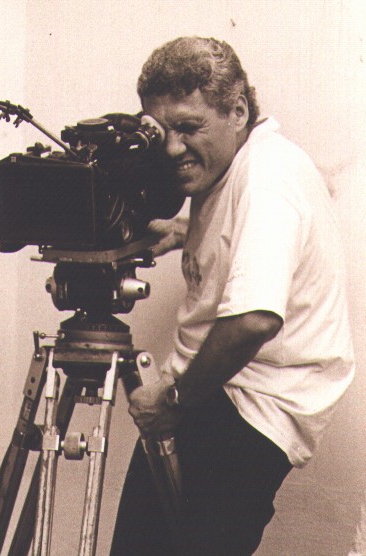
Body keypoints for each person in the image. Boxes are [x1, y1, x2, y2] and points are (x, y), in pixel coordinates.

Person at [110, 36, 355, 555]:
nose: (172, 148)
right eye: (162, 130)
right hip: (224, 389)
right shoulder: (247, 164)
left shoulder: (265, 182)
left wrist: (174, 399)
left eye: (189, 127)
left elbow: (253, 320)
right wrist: (185, 229)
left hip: (245, 402)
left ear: (237, 111)